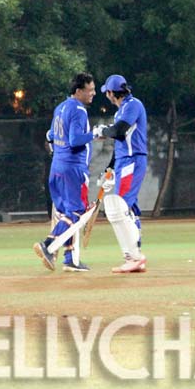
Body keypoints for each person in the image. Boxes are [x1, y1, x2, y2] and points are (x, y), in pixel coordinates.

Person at [33, 73, 97, 272]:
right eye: (90, 90)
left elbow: (50, 136)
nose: (93, 93)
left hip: (57, 167)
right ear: (78, 91)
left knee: (65, 214)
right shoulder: (79, 110)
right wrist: (95, 134)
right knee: (77, 212)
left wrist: (57, 153)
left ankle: (70, 258)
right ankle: (49, 244)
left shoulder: (60, 108)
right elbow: (76, 140)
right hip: (73, 168)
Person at [93, 74, 148, 273]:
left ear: (110, 93)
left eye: (106, 92)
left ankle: (134, 256)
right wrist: (110, 168)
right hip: (126, 162)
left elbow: (119, 131)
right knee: (128, 208)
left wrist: (102, 131)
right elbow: (120, 143)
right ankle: (134, 254)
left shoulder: (132, 105)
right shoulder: (121, 111)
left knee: (121, 207)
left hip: (133, 161)